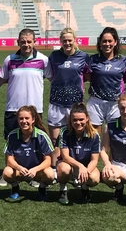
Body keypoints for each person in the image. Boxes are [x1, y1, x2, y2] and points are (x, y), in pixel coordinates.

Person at [44, 28, 90, 167]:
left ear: (74, 40)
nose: (67, 43)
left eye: (70, 40)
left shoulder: (83, 56)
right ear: (61, 41)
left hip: (75, 105)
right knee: (54, 138)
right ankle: (55, 168)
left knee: (76, 137)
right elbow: (51, 75)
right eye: (64, 40)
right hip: (56, 103)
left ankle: (76, 167)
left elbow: (87, 75)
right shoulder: (54, 56)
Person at [0, 29, 48, 139]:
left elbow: (54, 79)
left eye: (29, 42)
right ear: (18, 42)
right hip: (13, 110)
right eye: (23, 42)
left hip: (35, 110)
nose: (26, 45)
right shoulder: (9, 60)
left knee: (35, 144)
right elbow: (1, 80)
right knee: (11, 144)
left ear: (35, 42)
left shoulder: (43, 60)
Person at [2, 105, 55, 202]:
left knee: (50, 174)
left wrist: (35, 169)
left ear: (33, 119)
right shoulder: (12, 135)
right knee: (7, 172)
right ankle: (15, 188)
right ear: (17, 120)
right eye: (21, 118)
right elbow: (9, 159)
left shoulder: (42, 136)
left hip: (37, 172)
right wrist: (19, 168)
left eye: (27, 118)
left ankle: (42, 188)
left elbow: (48, 160)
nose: (24, 121)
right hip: (20, 171)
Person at [56, 103, 101, 205]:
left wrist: (85, 172)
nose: (78, 122)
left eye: (81, 119)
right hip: (69, 165)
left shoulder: (94, 135)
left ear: (87, 119)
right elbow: (65, 156)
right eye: (74, 120)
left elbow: (94, 160)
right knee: (64, 169)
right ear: (70, 120)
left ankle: (84, 188)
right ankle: (63, 190)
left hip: (86, 167)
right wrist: (80, 166)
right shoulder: (64, 132)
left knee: (94, 178)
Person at [87, 27, 126, 127]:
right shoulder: (92, 59)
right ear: (100, 43)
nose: (107, 44)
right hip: (96, 102)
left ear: (115, 42)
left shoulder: (123, 60)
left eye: (110, 41)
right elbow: (87, 76)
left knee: (114, 135)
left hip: (115, 103)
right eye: (104, 41)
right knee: (94, 135)